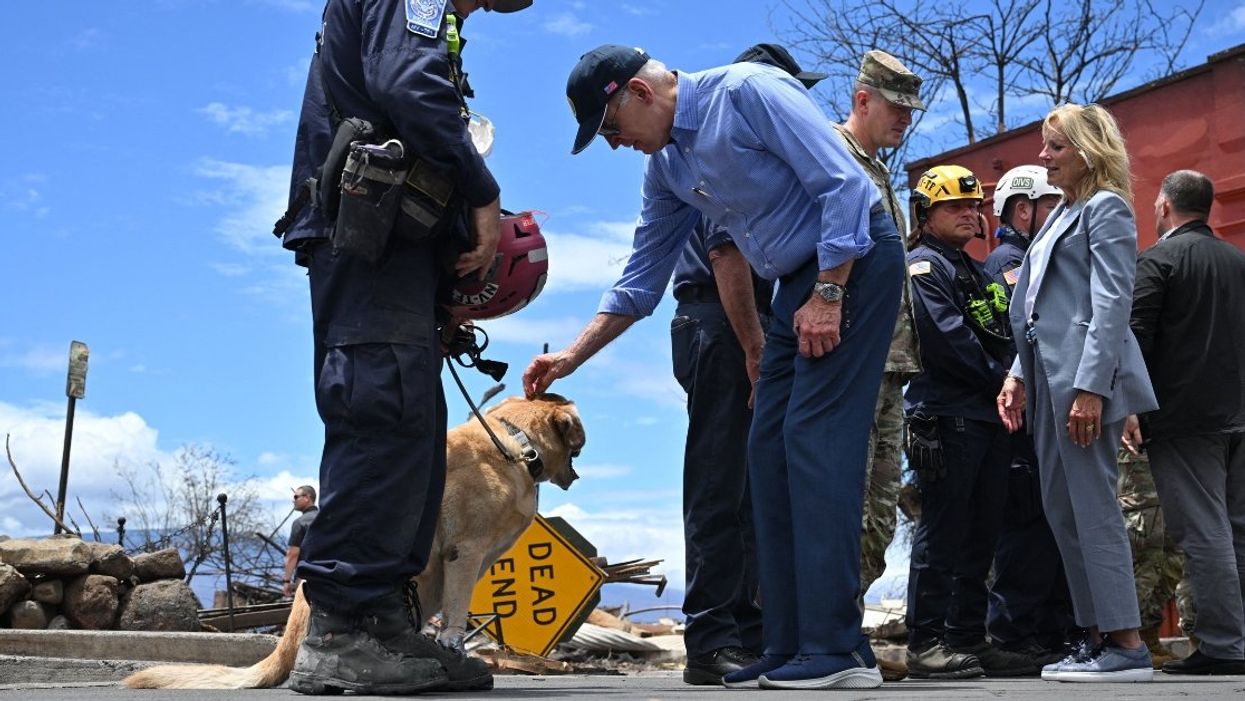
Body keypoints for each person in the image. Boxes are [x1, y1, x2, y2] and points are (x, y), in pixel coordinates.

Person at [526, 44, 904, 690]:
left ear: (639, 95)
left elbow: (843, 184)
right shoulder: (667, 166)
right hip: (793, 283)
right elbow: (642, 278)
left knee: (815, 444)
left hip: (853, 264)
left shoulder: (749, 92)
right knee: (766, 451)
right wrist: (571, 354)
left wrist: (831, 291)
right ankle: (788, 643)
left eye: (611, 128)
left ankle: (837, 647)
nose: (615, 145)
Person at [278, 0, 534, 694]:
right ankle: (343, 629)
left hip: (396, 250)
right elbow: (408, 86)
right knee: (382, 411)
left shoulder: (435, 13)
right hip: (368, 243)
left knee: (411, 427)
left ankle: (385, 624)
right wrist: (481, 192)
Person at [671, 43, 820, 687]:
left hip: (751, 316)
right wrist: (758, 355)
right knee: (720, 479)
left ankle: (753, 628)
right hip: (723, 318)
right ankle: (711, 636)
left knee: (756, 484)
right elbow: (727, 257)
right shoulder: (724, 144)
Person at [996, 103, 1158, 683]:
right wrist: (1017, 372)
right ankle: (1096, 638)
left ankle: (1128, 643)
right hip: (1046, 381)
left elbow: (1112, 302)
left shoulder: (1106, 207)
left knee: (1092, 510)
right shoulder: (1063, 213)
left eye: (1056, 148)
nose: (1043, 158)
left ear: (1089, 151)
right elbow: (1040, 305)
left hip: (1079, 382)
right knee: (1063, 512)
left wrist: (1092, 387)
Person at [902, 165, 1034, 678]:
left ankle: (966, 638)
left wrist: (1012, 379)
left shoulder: (975, 270)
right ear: (926, 213)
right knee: (942, 531)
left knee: (983, 533)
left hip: (988, 417)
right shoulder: (923, 267)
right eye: (955, 206)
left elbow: (1004, 331)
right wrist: (1005, 379)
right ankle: (925, 642)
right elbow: (948, 340)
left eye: (973, 206)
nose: (968, 214)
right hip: (947, 415)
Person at [1126, 169, 1245, 675]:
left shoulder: (1158, 260)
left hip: (1184, 420)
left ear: (1165, 205)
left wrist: (1128, 404)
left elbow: (1134, 334)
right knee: (1238, 530)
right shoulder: (1238, 261)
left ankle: (1222, 644)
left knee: (1204, 532)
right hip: (1240, 415)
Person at [832, 50, 924, 600]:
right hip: (856, 362)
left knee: (879, 510)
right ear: (862, 100)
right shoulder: (834, 158)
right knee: (847, 499)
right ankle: (829, 633)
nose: (905, 119)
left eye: (911, 111)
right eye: (896, 107)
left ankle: (849, 628)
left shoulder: (879, 171)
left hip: (891, 367)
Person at [983, 166, 1076, 664]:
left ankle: (1049, 632)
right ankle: (1016, 634)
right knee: (1027, 531)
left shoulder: (1034, 260)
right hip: (1022, 424)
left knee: (1048, 530)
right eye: (1051, 205)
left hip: (1041, 418)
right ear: (1024, 210)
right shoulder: (1010, 264)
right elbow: (1017, 340)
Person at [283, 486, 319, 598]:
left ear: (307, 497)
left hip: (308, 579)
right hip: (332, 576)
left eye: (296, 496)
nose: (293, 500)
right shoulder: (328, 518)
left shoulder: (300, 523)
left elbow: (292, 554)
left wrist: (286, 581)